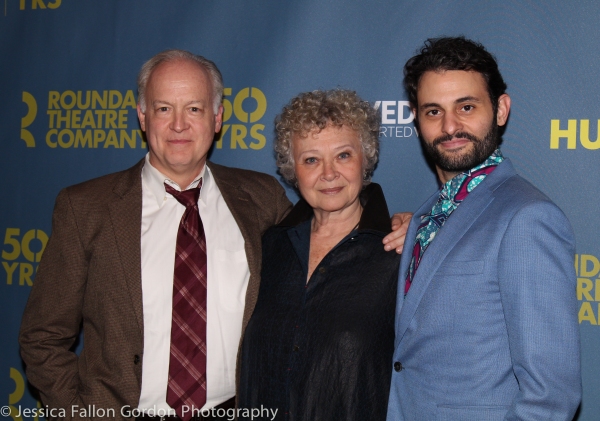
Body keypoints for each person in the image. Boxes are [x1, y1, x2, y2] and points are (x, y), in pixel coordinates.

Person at [19, 50, 409, 421]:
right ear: (142, 116)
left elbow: (336, 225)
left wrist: (407, 226)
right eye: (163, 109)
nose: (178, 125)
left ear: (218, 117)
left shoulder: (260, 200)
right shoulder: (85, 207)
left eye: (194, 108)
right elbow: (42, 337)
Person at [387, 37, 581, 421]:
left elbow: (551, 396)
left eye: (467, 106)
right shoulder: (427, 218)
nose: (450, 126)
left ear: (501, 109)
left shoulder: (528, 218)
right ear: (416, 118)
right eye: (432, 111)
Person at [239, 89, 400, 421]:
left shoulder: (399, 254)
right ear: (293, 170)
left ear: (365, 160)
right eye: (311, 159)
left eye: (343, 155)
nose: (328, 173)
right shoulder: (267, 248)